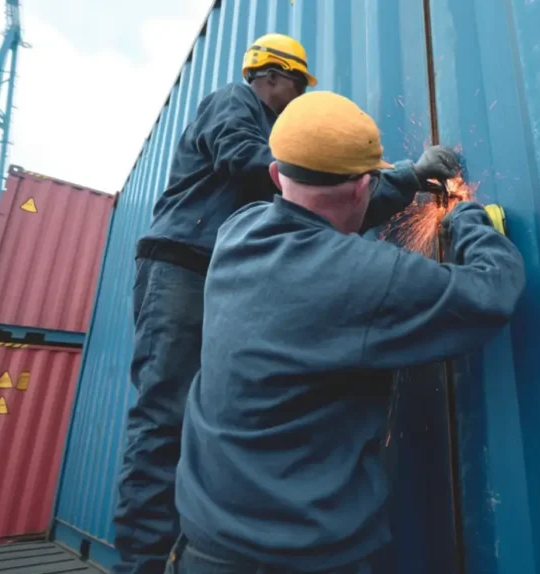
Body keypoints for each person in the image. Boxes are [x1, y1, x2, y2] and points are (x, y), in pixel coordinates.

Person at [114, 32, 460, 574]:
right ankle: (141, 566)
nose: (297, 110)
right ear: (274, 77)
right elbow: (265, 169)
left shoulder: (277, 173)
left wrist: (406, 181)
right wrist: (374, 171)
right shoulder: (233, 104)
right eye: (296, 93)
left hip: (226, 277)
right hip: (183, 266)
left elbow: (320, 206)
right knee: (163, 420)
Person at [166, 91, 526, 573]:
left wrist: (410, 177)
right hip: (304, 561)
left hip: (199, 549)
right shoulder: (366, 278)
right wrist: (469, 221)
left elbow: (318, 218)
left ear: (276, 175)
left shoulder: (239, 230)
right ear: (363, 186)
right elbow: (491, 291)